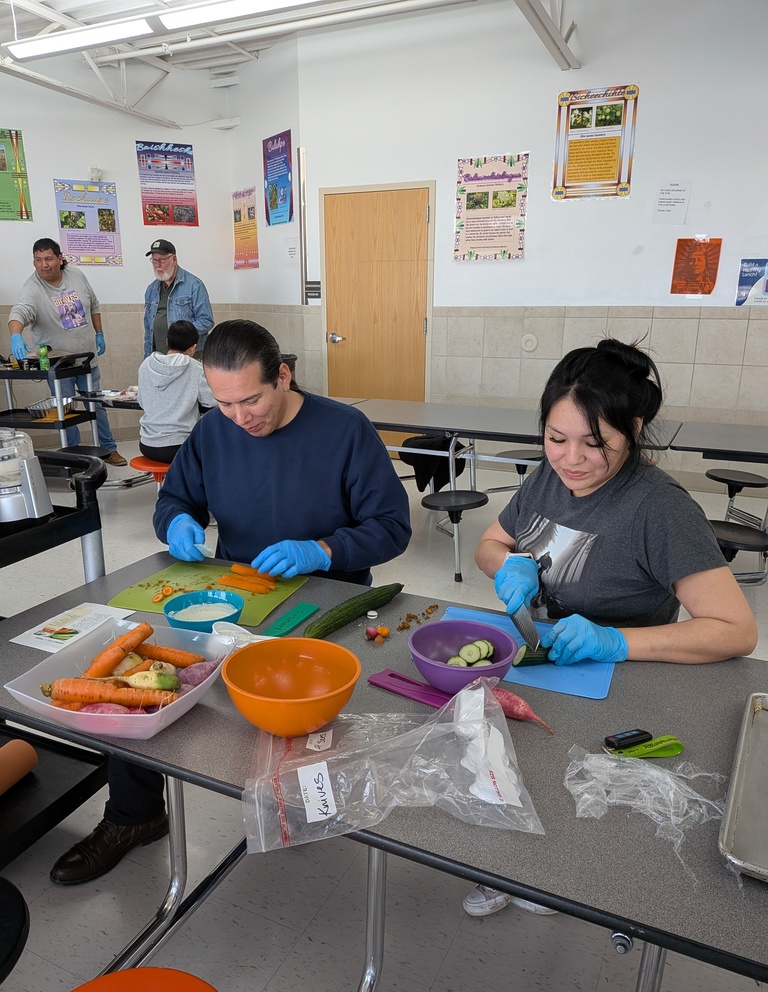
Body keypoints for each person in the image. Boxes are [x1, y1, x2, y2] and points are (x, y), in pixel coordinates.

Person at [49, 319, 412, 885]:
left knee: (290, 716)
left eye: (251, 399)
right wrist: (178, 523)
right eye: (224, 403)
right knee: (134, 679)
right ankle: (133, 817)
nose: (241, 417)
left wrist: (323, 548)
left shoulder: (345, 430)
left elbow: (393, 528)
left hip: (323, 600)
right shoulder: (214, 432)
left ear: (283, 376)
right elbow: (174, 498)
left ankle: (300, 803)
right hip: (232, 596)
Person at [464, 337, 757, 919]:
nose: (571, 459)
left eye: (595, 444)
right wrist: (508, 563)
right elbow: (491, 543)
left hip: (615, 681)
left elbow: (734, 629)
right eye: (556, 438)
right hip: (539, 660)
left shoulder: (659, 509)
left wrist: (617, 640)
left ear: (634, 428)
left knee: (568, 788)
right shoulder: (549, 478)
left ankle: (548, 877)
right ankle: (502, 863)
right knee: (505, 770)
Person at [8, 238, 127, 466]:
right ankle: (74, 456)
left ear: (60, 259)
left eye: (49, 259)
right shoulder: (32, 288)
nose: (44, 265)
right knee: (66, 412)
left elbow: (93, 304)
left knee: (97, 407)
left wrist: (99, 333)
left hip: (86, 360)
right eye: (38, 260)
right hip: (58, 366)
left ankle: (108, 449)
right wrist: (15, 334)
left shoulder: (77, 276)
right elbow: (19, 313)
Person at [137, 319, 215, 464]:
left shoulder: (146, 365)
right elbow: (210, 402)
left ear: (167, 341)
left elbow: (141, 401)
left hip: (147, 444)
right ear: (193, 347)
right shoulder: (196, 368)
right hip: (180, 445)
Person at [143, 239, 214, 358]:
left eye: (162, 260)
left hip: (188, 357)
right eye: (154, 261)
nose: (158, 265)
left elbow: (206, 320)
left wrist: (180, 334)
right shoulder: (151, 289)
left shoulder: (194, 285)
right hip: (159, 357)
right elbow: (148, 329)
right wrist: (147, 358)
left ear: (174, 259)